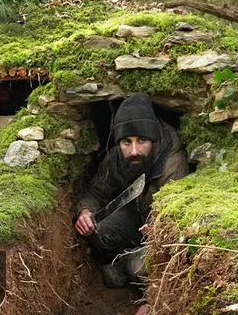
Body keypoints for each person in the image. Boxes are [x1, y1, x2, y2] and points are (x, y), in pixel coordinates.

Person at [74, 93, 189, 297]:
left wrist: (152, 299)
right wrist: (85, 211)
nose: (134, 150)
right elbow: (95, 191)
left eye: (142, 140)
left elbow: (176, 227)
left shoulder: (172, 164)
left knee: (140, 267)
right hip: (136, 215)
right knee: (99, 230)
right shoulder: (117, 158)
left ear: (153, 139)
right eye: (126, 142)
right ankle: (127, 257)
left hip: (161, 230)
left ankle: (123, 266)